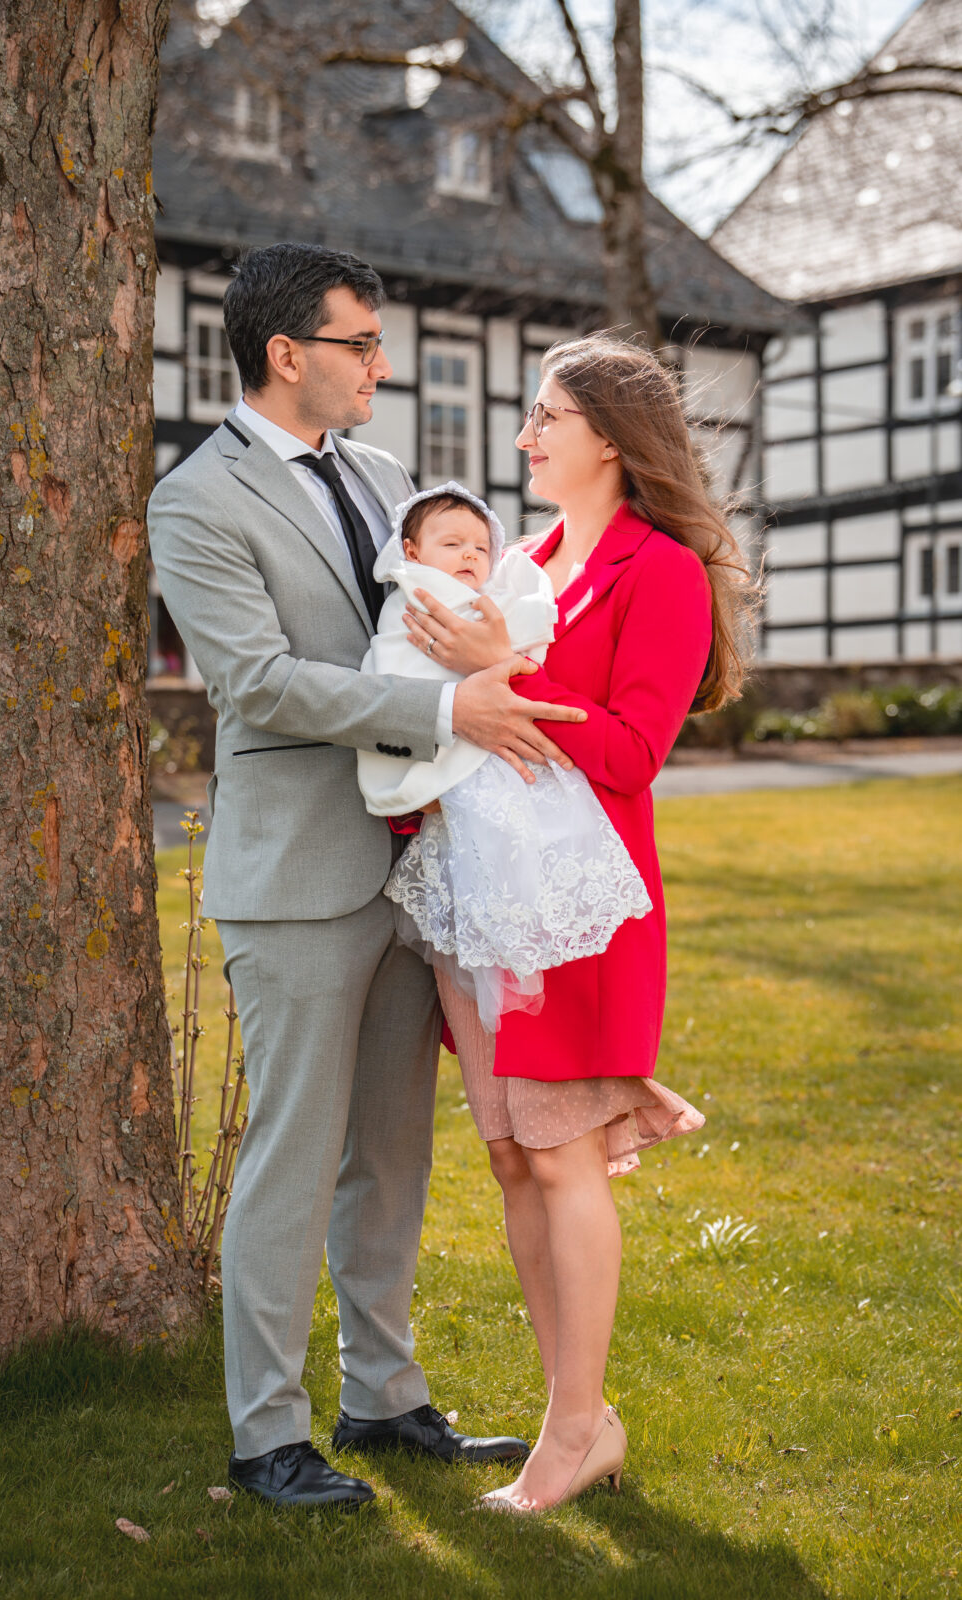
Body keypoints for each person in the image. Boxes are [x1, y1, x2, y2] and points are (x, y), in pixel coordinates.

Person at [146, 242, 588, 1511]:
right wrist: (449, 707)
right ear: (287, 353)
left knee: (391, 1157)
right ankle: (265, 1436)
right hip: (296, 871)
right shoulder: (197, 499)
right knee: (293, 1156)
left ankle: (382, 1399)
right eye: (361, 344)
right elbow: (257, 684)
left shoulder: (391, 479)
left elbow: (447, 616)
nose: (380, 366)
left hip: (418, 865)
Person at [398, 333, 760, 1513]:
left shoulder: (661, 571)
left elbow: (632, 751)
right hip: (477, 901)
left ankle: (568, 1430)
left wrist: (503, 672)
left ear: (607, 434)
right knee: (511, 1155)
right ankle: (581, 1416)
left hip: (577, 910)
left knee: (560, 1156)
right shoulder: (526, 559)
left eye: (545, 416)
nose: (523, 438)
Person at [357, 482, 652, 1029]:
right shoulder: (416, 598)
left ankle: (528, 921)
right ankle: (505, 927)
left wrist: (501, 644)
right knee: (484, 854)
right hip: (451, 741)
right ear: (412, 553)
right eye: (452, 545)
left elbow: (521, 625)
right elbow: (393, 665)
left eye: (480, 547)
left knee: (515, 842)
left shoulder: (498, 589)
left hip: (499, 754)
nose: (470, 556)